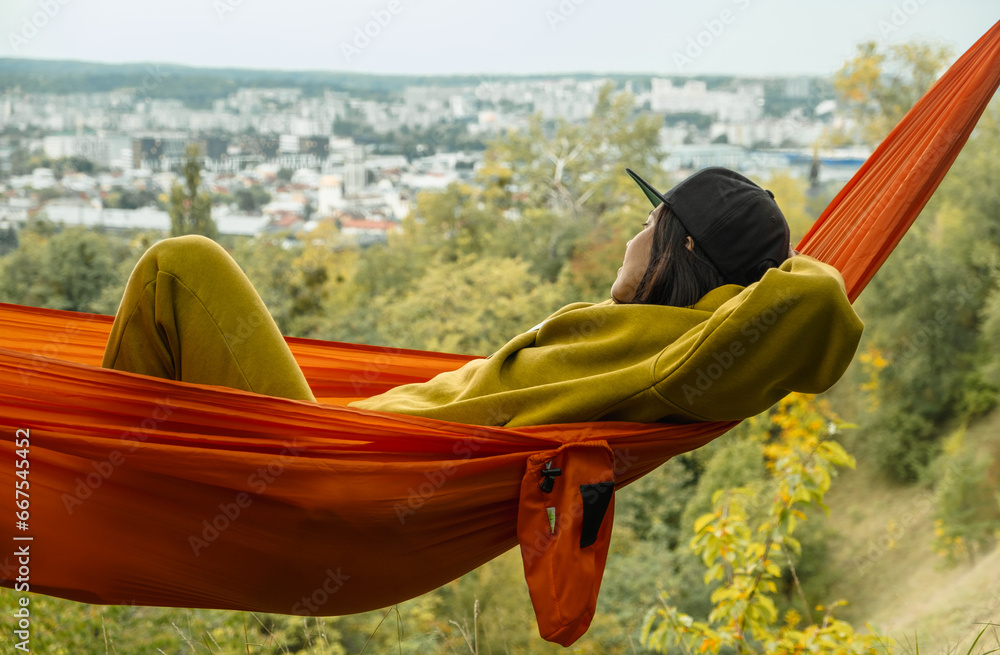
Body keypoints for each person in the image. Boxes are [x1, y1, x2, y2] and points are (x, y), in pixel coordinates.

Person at [102, 167, 863, 427]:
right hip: (345, 443)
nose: (631, 237)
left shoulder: (677, 353)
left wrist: (771, 270)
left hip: (331, 475)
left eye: (647, 223)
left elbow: (813, 297)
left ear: (682, 249)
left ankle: (100, 476)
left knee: (181, 263)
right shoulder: (673, 342)